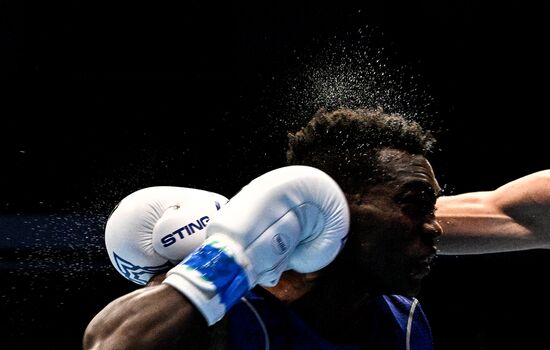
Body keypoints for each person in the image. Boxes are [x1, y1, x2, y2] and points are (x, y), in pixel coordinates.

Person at [82, 107, 549, 350]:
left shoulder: (403, 322)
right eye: (415, 204)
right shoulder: (237, 307)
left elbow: (525, 214)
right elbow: (113, 343)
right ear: (339, 207)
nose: (437, 227)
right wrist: (229, 255)